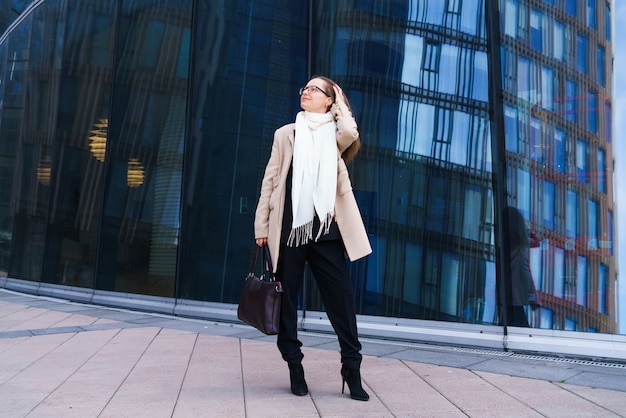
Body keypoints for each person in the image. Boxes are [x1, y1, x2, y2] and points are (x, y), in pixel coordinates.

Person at [254, 76, 372, 401]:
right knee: (286, 301)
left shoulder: (335, 136)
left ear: (329, 101)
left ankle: (352, 367)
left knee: (342, 301)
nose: (306, 92)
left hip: (326, 230)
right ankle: (294, 365)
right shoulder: (286, 134)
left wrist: (339, 104)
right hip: (289, 229)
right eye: (303, 88)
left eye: (314, 89)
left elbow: (351, 130)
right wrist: (261, 226)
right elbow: (271, 179)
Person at [505, 206, 540, 327]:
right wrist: (527, 227)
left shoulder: (504, 242)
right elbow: (536, 241)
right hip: (516, 298)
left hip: (507, 295)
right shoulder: (520, 243)